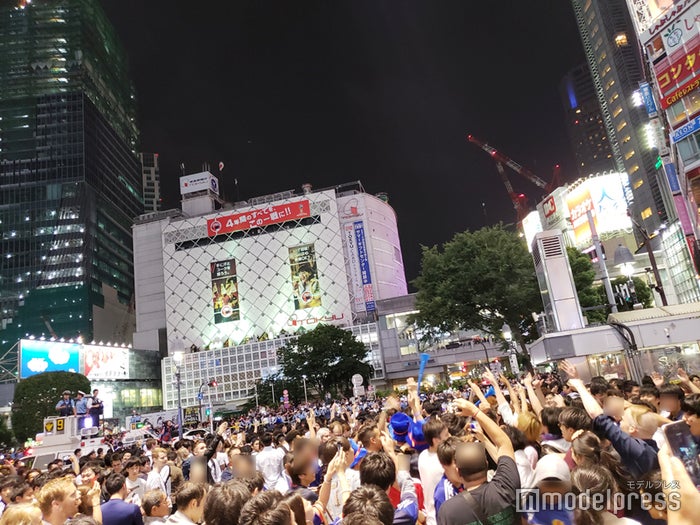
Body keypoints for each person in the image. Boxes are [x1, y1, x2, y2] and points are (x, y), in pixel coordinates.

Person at [436, 398, 520, 525]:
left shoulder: (448, 511)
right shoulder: (506, 485)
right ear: (486, 463)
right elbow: (504, 442)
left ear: (458, 471)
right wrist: (475, 412)